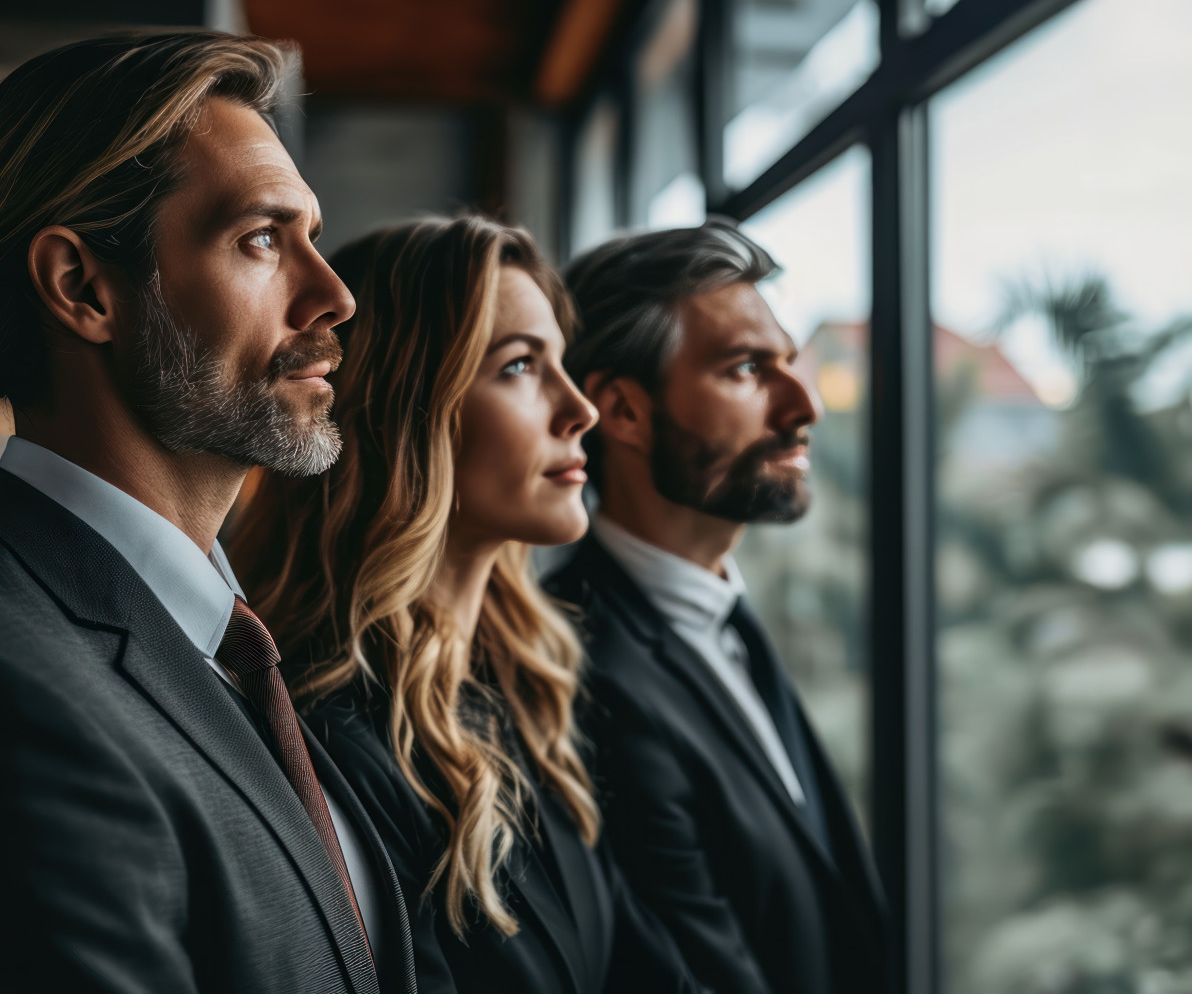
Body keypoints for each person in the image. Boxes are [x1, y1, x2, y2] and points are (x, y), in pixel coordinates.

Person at [0, 32, 414, 993]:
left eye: (311, 234)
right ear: (82, 288)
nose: (334, 295)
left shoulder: (221, 639)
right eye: (261, 239)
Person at [231, 214, 700, 994]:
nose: (580, 408)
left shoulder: (523, 680)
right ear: (406, 410)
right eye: (520, 367)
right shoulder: (320, 729)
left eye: (562, 362)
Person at [543, 220, 893, 994]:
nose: (804, 407)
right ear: (623, 411)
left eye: (790, 366)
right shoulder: (570, 666)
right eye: (746, 370)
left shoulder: (727, 618)